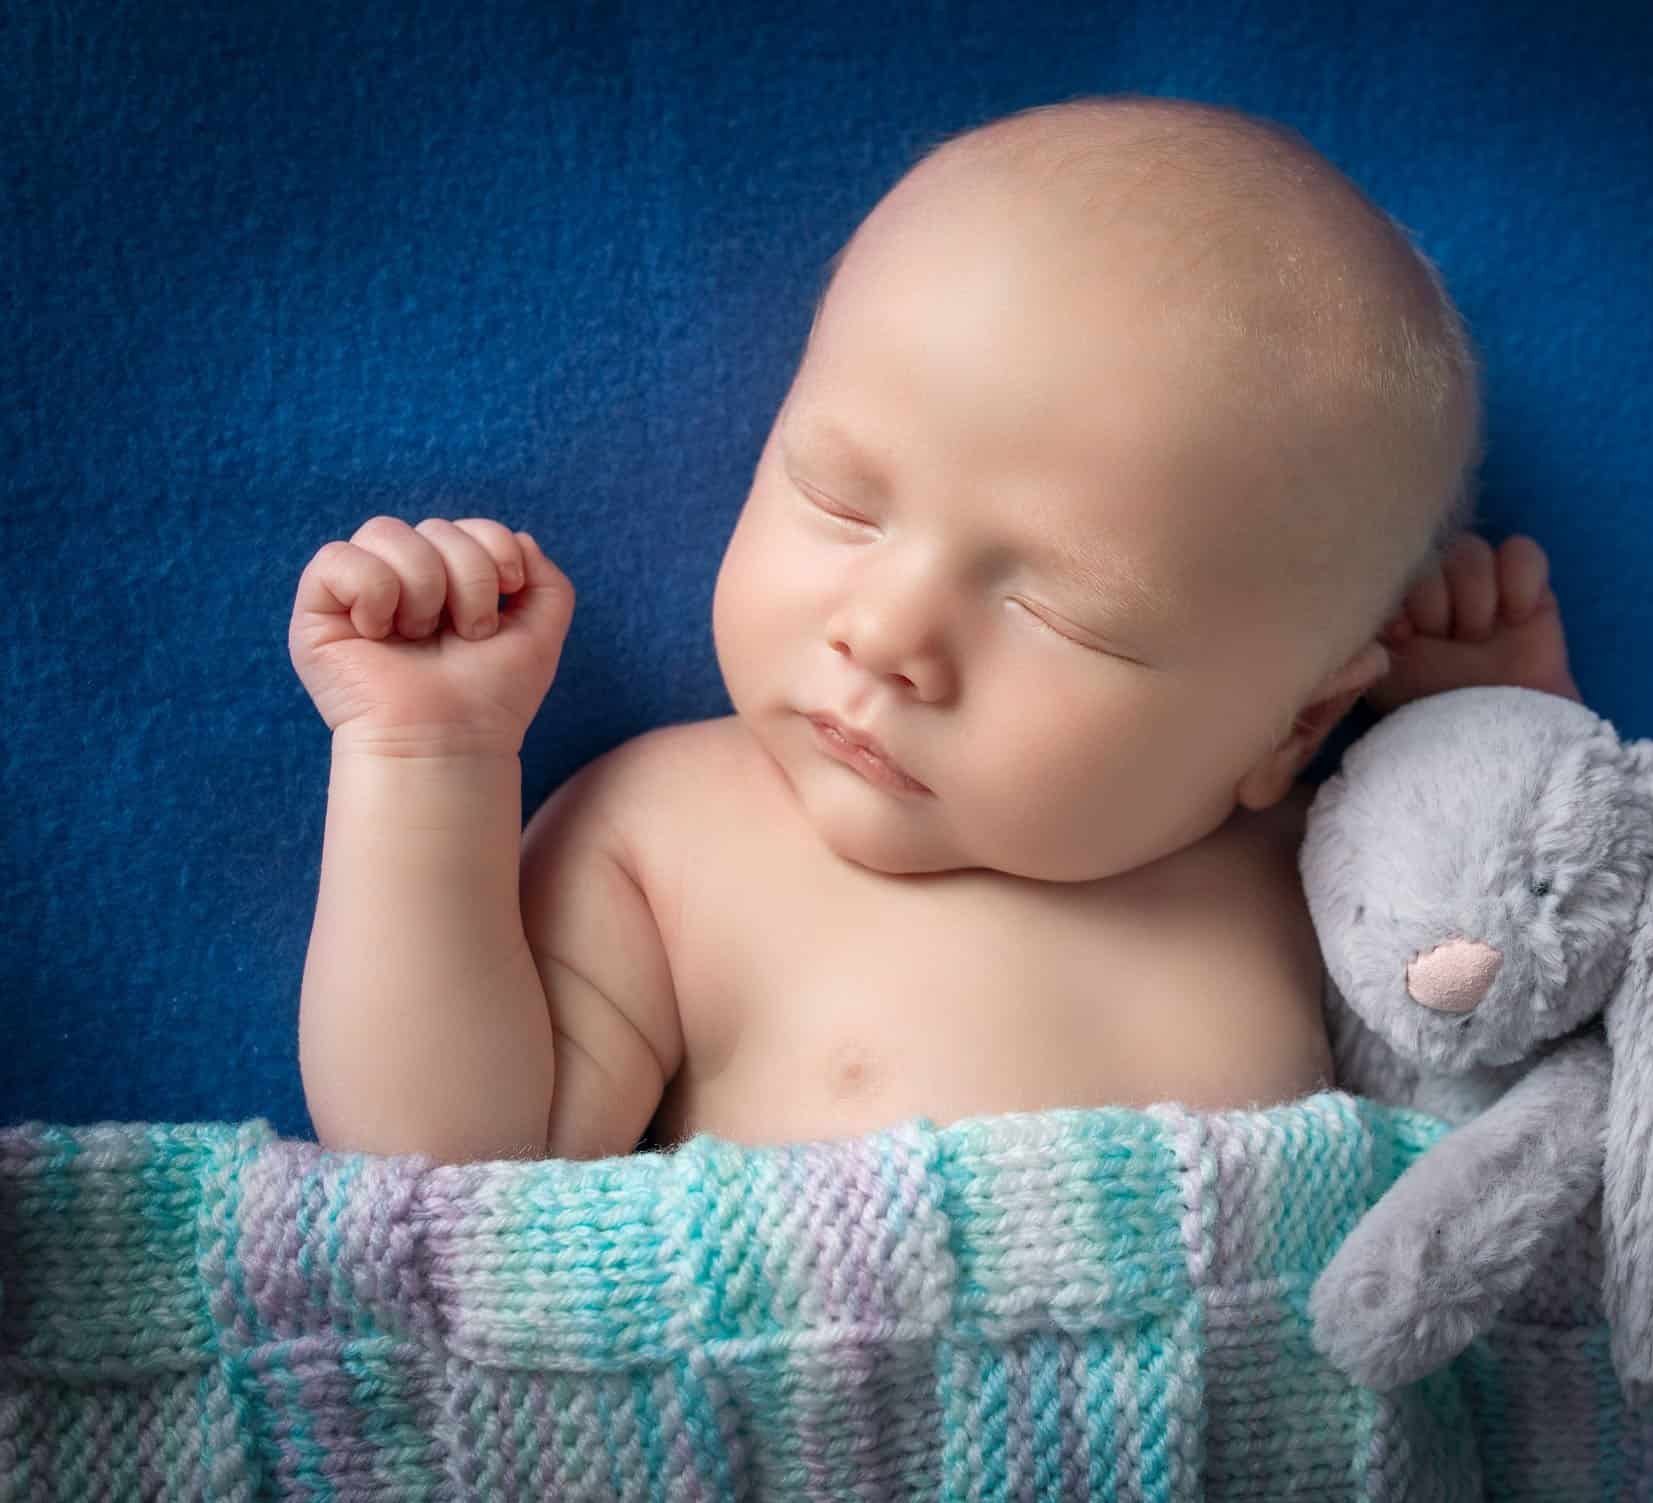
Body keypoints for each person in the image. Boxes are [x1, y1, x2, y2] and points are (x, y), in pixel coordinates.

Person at [289, 95, 1582, 1163]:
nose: (889, 631)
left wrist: (1491, 752)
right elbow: (447, 1175)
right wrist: (427, 761)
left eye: (1057, 611)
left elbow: (1532, 1118)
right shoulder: (668, 835)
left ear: (1293, 723)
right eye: (841, 501)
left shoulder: (1313, 878)